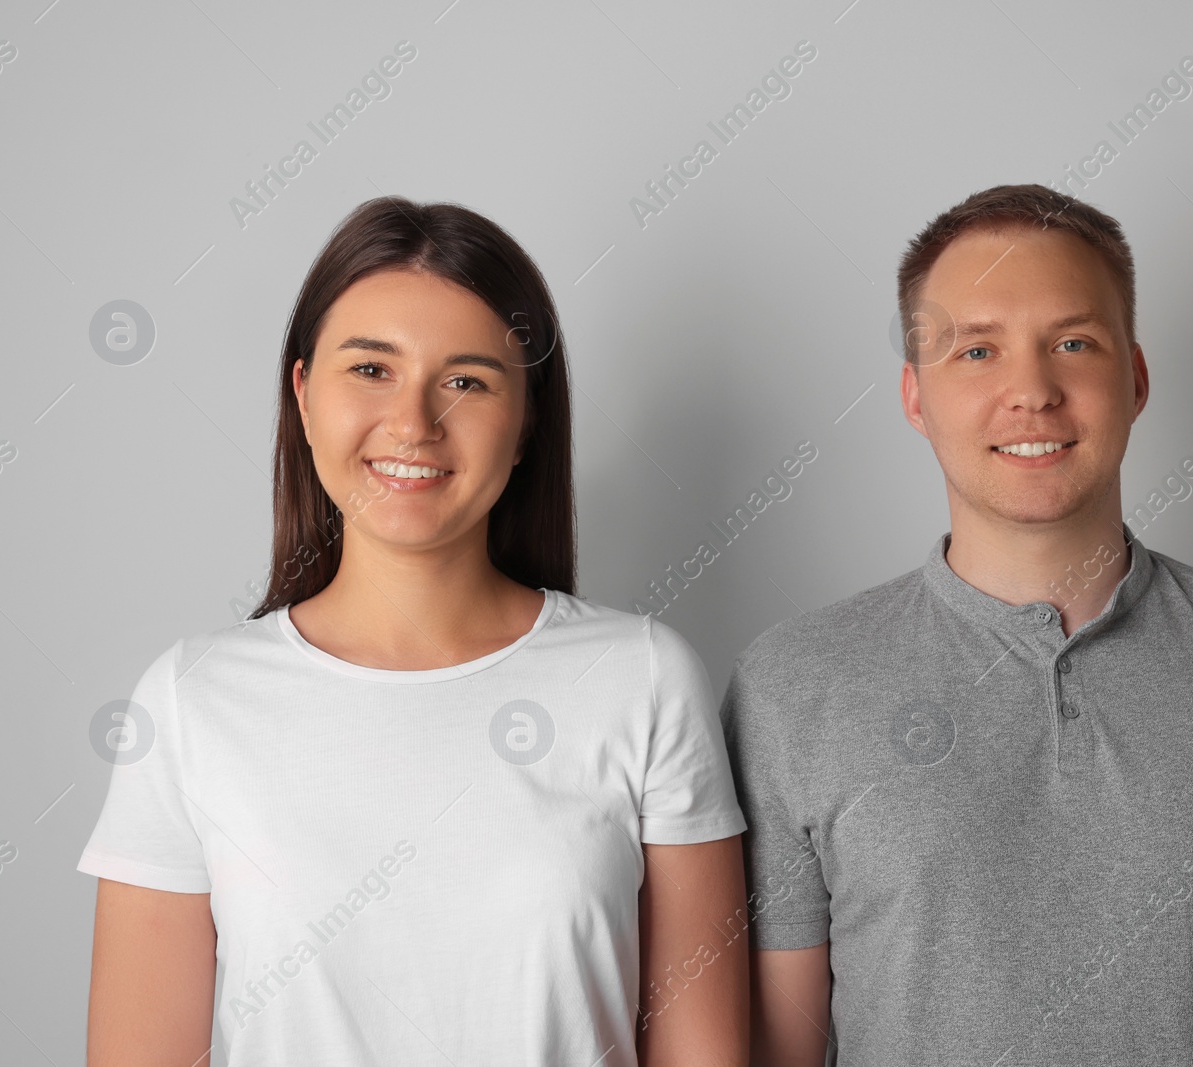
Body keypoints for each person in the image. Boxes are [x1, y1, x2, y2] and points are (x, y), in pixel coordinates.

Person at [722, 184, 1193, 1066]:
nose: (1032, 391)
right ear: (915, 397)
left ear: (1133, 377)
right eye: (977, 349)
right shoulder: (791, 684)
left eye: (1073, 342)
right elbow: (777, 1047)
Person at [78, 196, 749, 1066]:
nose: (414, 424)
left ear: (527, 421)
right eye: (370, 369)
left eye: (467, 380)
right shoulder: (191, 699)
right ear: (303, 393)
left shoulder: (645, 679)